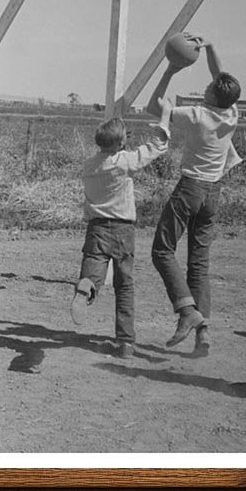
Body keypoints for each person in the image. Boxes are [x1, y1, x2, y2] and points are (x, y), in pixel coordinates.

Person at [145, 35, 241, 354]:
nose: (207, 85)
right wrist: (211, 46)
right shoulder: (230, 114)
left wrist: (170, 71)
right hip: (213, 193)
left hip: (190, 189)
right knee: (199, 263)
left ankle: (187, 312)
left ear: (212, 94)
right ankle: (204, 333)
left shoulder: (197, 115)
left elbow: (152, 106)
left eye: (210, 86)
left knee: (162, 250)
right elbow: (221, 78)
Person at [70, 101, 174, 358]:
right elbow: (154, 148)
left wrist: (119, 142)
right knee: (124, 284)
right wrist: (165, 119)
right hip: (122, 229)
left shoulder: (89, 165)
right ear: (119, 144)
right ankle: (126, 342)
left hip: (96, 228)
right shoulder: (123, 161)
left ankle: (86, 286)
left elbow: (112, 153)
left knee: (93, 268)